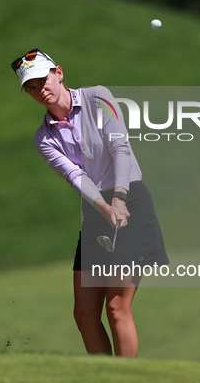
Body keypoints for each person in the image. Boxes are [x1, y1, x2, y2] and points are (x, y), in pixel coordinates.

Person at [10, 48, 169, 357]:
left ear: (59, 72)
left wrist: (119, 198)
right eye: (30, 86)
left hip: (131, 200)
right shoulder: (44, 138)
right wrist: (104, 207)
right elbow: (75, 176)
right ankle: (103, 376)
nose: (39, 89)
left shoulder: (98, 97)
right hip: (97, 209)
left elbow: (120, 148)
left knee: (116, 307)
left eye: (43, 79)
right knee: (83, 315)